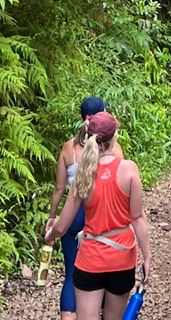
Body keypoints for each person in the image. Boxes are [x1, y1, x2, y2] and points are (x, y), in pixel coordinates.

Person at [46, 112, 150, 320]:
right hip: (122, 257)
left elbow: (63, 224)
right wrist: (147, 257)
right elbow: (137, 218)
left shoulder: (83, 175)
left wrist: (51, 234)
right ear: (114, 138)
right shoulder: (129, 170)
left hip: (91, 258)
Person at [47, 97, 106, 320]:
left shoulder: (68, 148)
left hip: (71, 216)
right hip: (97, 215)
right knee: (100, 272)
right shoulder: (109, 147)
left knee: (71, 274)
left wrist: (52, 218)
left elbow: (59, 188)